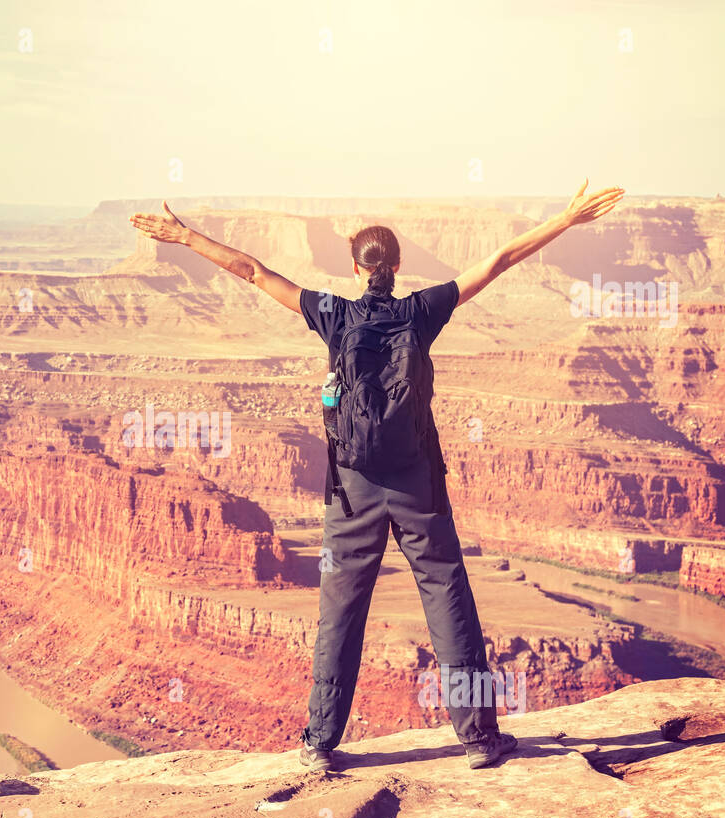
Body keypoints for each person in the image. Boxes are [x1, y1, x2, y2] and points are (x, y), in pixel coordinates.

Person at [129, 181, 625, 770]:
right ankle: (480, 740)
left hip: (351, 487)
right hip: (417, 482)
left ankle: (319, 742)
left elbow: (254, 272)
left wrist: (184, 236)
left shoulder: (333, 315)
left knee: (339, 610)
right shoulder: (423, 310)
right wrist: (565, 220)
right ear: (396, 266)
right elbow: (499, 261)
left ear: (357, 269)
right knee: (449, 602)